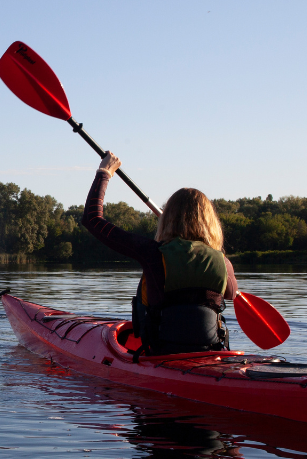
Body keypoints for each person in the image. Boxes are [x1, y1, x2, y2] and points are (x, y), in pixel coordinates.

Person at [82, 152, 237, 356]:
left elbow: (92, 219)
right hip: (211, 354)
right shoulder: (223, 262)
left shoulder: (152, 253)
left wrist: (104, 172)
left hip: (162, 354)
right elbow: (231, 294)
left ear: (167, 219)